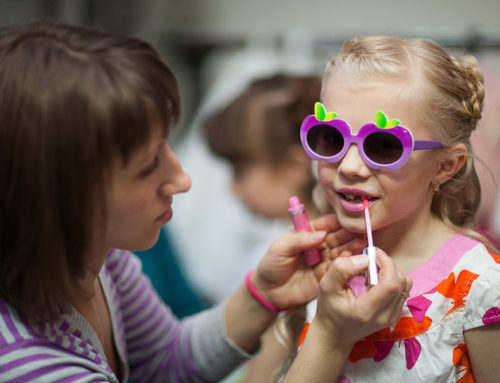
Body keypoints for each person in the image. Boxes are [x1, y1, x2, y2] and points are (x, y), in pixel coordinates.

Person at [0, 22, 409, 383]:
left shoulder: (100, 258)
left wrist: (264, 294)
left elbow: (164, 362)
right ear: (62, 198)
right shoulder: (28, 365)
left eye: (167, 146)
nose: (182, 179)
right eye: (148, 167)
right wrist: (330, 338)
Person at [271, 36, 500, 382]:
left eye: (382, 144)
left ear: (445, 166)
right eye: (331, 136)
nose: (349, 166)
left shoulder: (482, 286)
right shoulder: (319, 263)